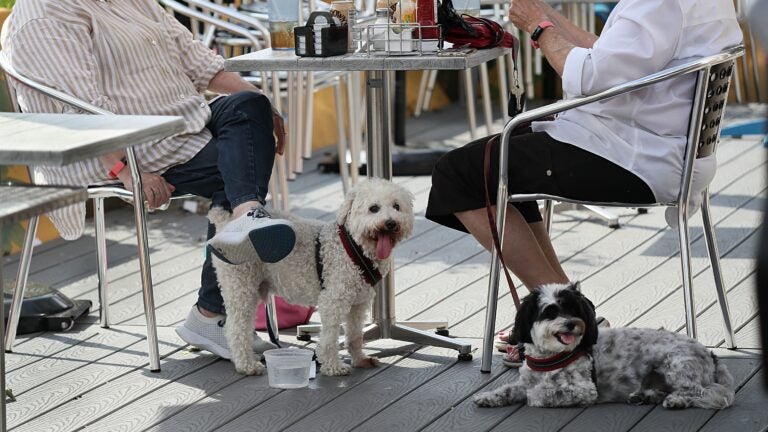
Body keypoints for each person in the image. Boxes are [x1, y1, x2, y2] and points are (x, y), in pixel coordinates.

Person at [426, 0, 742, 365]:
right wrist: (542, 12)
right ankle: (566, 309)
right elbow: (606, 54)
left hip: (636, 157)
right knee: (498, 162)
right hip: (659, 148)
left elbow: (590, 78)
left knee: (460, 172)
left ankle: (569, 320)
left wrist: (539, 28)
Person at [0, 0, 295, 359]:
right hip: (123, 147)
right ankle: (213, 309)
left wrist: (264, 105)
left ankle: (245, 216)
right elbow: (76, 108)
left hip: (182, 125)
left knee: (249, 107)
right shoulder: (45, 12)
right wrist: (125, 169)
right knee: (237, 167)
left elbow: (199, 62)